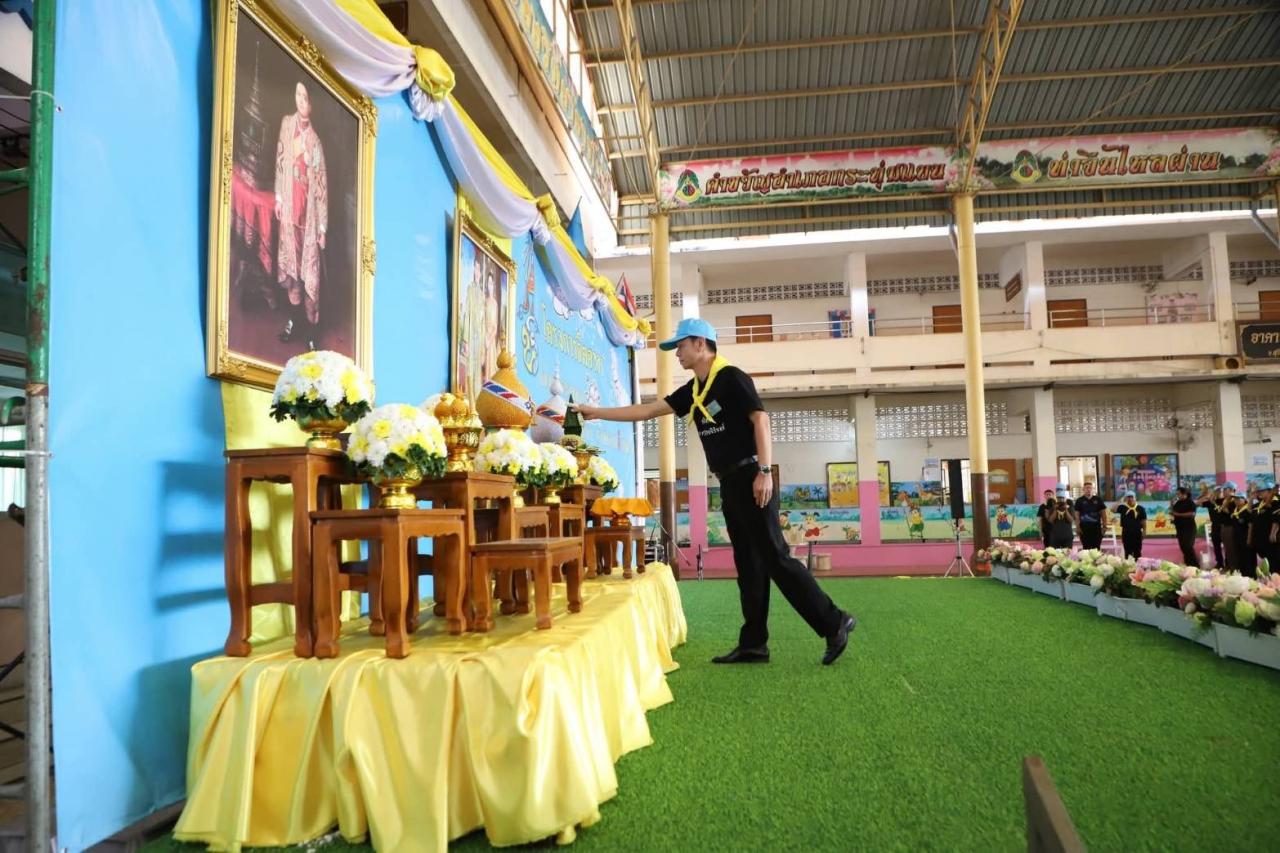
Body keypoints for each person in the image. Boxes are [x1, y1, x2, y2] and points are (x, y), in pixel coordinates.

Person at [572, 317, 856, 666]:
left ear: (700, 343)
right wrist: (595, 413)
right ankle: (754, 643)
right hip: (729, 482)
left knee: (776, 558)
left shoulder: (732, 378)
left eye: (680, 346)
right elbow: (648, 410)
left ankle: (834, 622)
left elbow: (761, 420)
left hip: (752, 476)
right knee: (748, 563)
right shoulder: (694, 390)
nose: (677, 353)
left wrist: (765, 472)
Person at [274, 81, 328, 350]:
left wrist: (322, 228)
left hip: (308, 216)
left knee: (309, 276)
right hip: (289, 210)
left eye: (305, 97)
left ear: (313, 104)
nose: (300, 101)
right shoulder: (286, 125)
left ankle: (311, 330)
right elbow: (281, 161)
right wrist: (279, 198)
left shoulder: (315, 142)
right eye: (298, 95)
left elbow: (321, 186)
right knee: (292, 271)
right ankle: (293, 320)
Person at [1245, 481, 1276, 578]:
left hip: (1271, 541)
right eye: (1259, 491)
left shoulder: (1275, 503)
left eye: (1262, 491)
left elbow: (1276, 520)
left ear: (1270, 491)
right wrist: (1251, 498)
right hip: (1260, 540)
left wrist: (1273, 533)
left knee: (1274, 564)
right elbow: (1249, 511)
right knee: (1265, 565)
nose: (1259, 493)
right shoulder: (1259, 504)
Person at [1073, 481, 1107, 550]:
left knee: (1096, 548)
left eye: (1090, 488)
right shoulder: (1079, 500)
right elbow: (1076, 515)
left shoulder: (1098, 499)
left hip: (1096, 528)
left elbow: (1103, 514)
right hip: (1084, 529)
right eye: (1086, 488)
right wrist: (1077, 527)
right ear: (1083, 489)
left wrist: (1104, 526)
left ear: (1093, 489)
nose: (1088, 489)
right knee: (1086, 548)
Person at [1170, 486, 1198, 567]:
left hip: (1189, 528)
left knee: (1188, 546)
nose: (1177, 495)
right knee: (1183, 547)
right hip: (1180, 528)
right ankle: (1188, 564)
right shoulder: (1178, 503)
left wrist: (1178, 514)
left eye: (1179, 494)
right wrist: (1171, 504)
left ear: (1184, 494)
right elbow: (1173, 512)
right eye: (1177, 494)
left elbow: (1192, 513)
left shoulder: (1190, 502)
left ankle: (1195, 565)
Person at [1115, 490, 1147, 559]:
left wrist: (1144, 531)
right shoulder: (1123, 507)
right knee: (1127, 552)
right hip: (1126, 532)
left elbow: (1143, 521)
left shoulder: (1140, 508)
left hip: (1137, 532)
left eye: (1132, 497)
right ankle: (1128, 564)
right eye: (1128, 497)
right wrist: (1120, 501)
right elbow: (1112, 509)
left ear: (1135, 498)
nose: (1130, 499)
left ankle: (1138, 564)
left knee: (1137, 552)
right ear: (1126, 499)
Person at [1233, 483, 1256, 576]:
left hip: (1246, 539)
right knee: (1240, 558)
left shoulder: (1247, 511)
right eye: (1235, 499)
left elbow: (1250, 526)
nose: (1236, 501)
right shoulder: (1236, 511)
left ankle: (1251, 576)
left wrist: (1249, 539)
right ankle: (1243, 575)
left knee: (1249, 558)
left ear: (1244, 500)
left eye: (1239, 499)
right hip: (1238, 539)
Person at [1198, 485, 1224, 569]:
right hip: (1215, 525)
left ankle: (1228, 563)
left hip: (1224, 525)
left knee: (1228, 545)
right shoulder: (1211, 502)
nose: (1219, 492)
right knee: (1216, 545)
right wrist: (1205, 496)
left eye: (1220, 491)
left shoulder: (1225, 501)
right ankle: (1219, 563)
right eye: (1217, 491)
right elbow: (1198, 503)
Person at [1219, 482, 1240, 571]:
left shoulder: (1234, 501)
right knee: (1227, 549)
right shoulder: (1225, 500)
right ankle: (1229, 567)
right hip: (1224, 527)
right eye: (1223, 489)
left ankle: (1234, 568)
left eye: (1225, 489)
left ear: (1232, 490)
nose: (1223, 491)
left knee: (1231, 549)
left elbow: (1230, 513)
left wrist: (1225, 504)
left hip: (1230, 527)